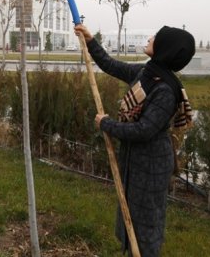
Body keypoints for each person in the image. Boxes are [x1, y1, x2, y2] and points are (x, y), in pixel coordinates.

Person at [75, 23, 195, 257]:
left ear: (165, 48)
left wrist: (106, 124)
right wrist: (90, 41)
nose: (150, 38)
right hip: (135, 158)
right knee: (130, 213)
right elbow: (110, 65)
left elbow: (143, 130)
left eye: (156, 37)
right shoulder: (147, 74)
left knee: (146, 220)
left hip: (151, 164)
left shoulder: (165, 90)